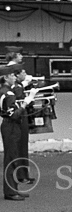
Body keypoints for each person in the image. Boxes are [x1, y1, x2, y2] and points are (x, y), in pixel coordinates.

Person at [1, 64, 33, 201]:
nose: (14, 77)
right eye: (12, 75)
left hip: (11, 126)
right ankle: (10, 191)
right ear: (6, 77)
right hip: (11, 126)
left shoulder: (6, 91)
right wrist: (26, 102)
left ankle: (13, 189)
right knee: (11, 159)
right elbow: (13, 114)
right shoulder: (7, 93)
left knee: (13, 158)